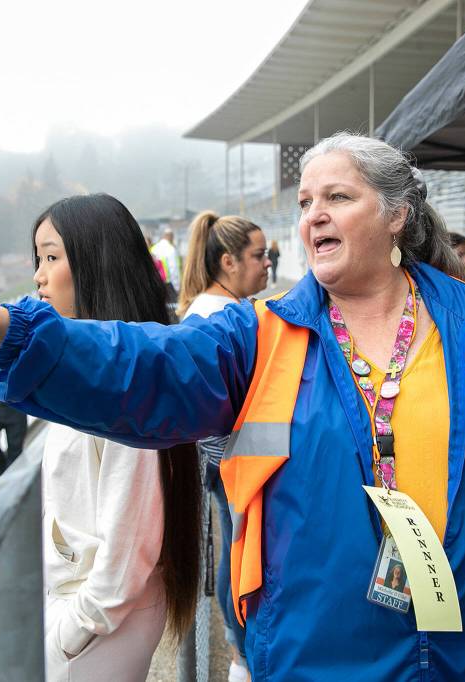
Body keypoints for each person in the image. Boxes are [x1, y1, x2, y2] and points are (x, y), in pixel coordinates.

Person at [0, 133, 465, 680]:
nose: (313, 217)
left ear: (397, 216)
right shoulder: (259, 335)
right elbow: (143, 367)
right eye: (305, 202)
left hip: (464, 657)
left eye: (338, 197)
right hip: (309, 660)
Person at [32, 195, 201, 680]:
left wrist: (76, 628)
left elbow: (133, 536)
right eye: (38, 259)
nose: (39, 276)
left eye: (51, 257)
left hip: (100, 620)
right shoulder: (100, 368)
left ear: (94, 263)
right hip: (89, 609)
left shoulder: (127, 380)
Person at [178, 209, 270, 682]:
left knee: (237, 550)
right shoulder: (216, 317)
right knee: (237, 554)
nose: (268, 263)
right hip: (228, 462)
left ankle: (242, 652)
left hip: (230, 460)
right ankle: (240, 655)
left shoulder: (216, 309)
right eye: (260, 255)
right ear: (229, 261)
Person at [150, 226, 182, 301]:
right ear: (171, 236)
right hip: (168, 285)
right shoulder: (171, 249)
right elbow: (174, 269)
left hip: (156, 284)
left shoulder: (154, 248)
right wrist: (177, 287)